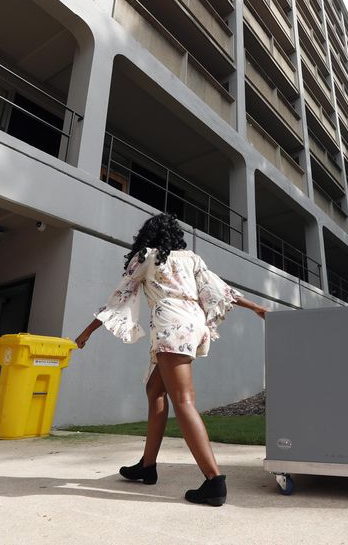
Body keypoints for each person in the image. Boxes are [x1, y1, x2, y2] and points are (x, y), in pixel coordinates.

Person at [74, 213, 268, 507]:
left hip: (170, 325)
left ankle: (214, 481)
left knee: (184, 400)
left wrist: (86, 332)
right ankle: (147, 466)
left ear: (148, 235)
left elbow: (119, 296)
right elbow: (218, 289)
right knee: (155, 390)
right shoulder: (190, 258)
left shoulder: (147, 256)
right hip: (193, 324)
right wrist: (256, 307)